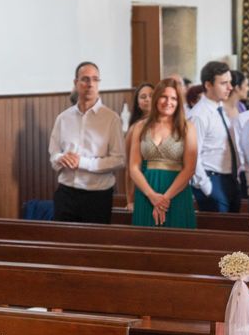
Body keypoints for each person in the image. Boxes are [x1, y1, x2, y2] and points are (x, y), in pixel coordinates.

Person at [48, 62, 125, 223]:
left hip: (97, 195)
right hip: (66, 192)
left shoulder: (111, 119)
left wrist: (81, 162)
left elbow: (119, 159)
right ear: (76, 83)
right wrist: (60, 158)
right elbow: (53, 154)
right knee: (63, 243)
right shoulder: (63, 118)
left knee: (93, 246)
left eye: (95, 79)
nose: (90, 84)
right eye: (85, 79)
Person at [129, 79, 198, 227]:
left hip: (176, 192)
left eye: (173, 98)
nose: (168, 102)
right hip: (146, 192)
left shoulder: (187, 127)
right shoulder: (140, 127)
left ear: (179, 102)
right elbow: (134, 167)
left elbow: (190, 169)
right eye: (164, 97)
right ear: (156, 98)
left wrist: (164, 199)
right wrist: (151, 196)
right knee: (145, 241)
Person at [189, 61, 240, 213]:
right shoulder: (199, 115)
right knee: (220, 231)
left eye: (230, 82)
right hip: (212, 180)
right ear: (208, 85)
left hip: (229, 178)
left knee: (234, 232)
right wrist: (206, 186)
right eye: (224, 83)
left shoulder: (220, 108)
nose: (230, 88)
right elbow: (193, 154)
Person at [125, 83, 154, 211]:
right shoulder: (134, 129)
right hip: (143, 183)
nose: (147, 99)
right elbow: (129, 168)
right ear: (138, 103)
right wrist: (130, 200)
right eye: (143, 97)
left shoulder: (168, 124)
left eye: (151, 95)